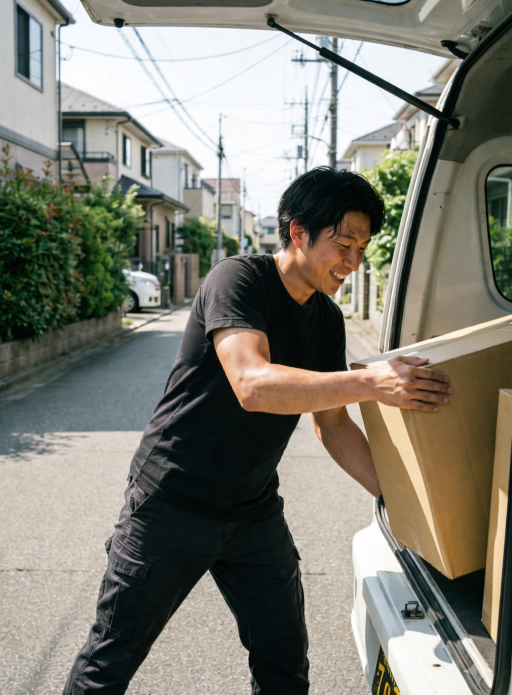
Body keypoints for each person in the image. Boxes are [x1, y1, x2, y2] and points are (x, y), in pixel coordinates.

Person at [63, 167, 452, 695]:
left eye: (362, 248)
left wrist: (399, 498)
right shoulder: (237, 279)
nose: (354, 263)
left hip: (252, 513)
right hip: (169, 504)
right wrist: (369, 381)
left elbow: (333, 425)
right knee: (109, 661)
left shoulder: (327, 320)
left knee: (285, 661)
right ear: (297, 232)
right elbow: (252, 382)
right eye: (343, 244)